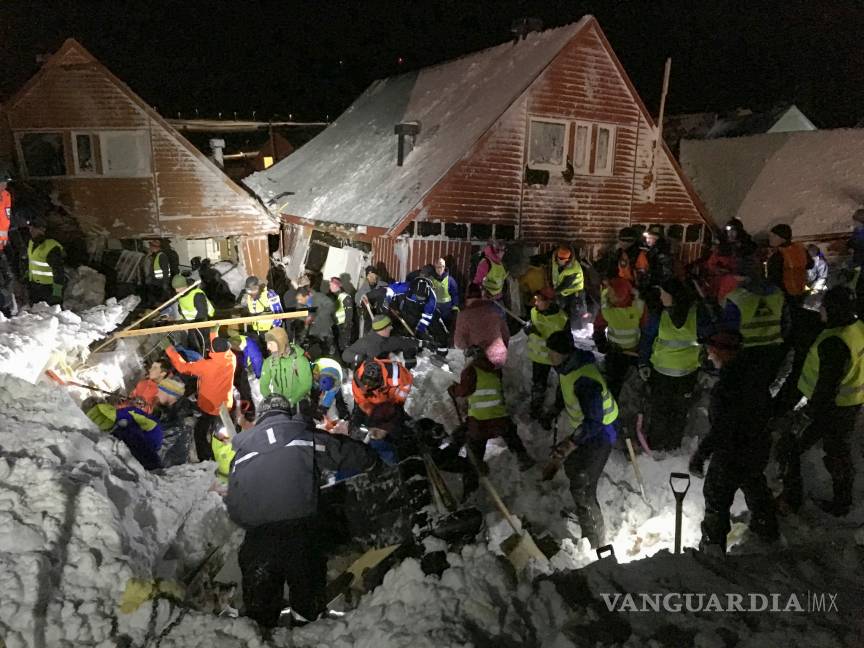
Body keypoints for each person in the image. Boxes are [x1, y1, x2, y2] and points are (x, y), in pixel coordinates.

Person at [225, 393, 380, 629]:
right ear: (288, 413)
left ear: (261, 418)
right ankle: (305, 630)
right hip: (302, 534)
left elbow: (234, 505)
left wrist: (257, 521)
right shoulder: (304, 437)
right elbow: (342, 451)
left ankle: (263, 632)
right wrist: (372, 460)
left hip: (258, 540)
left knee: (259, 617)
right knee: (308, 608)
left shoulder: (240, 456)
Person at [689, 331, 779, 555]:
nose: (709, 355)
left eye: (711, 350)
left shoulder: (728, 386)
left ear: (723, 352)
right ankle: (768, 531)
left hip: (733, 452)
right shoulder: (754, 376)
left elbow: (723, 428)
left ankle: (713, 548)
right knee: (754, 483)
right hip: (757, 447)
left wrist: (701, 454)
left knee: (716, 497)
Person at [777, 286, 864, 517]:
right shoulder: (857, 328)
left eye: (824, 306)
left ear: (833, 310)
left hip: (832, 407)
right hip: (850, 403)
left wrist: (807, 414)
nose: (820, 310)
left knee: (790, 446)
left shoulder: (833, 343)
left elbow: (826, 386)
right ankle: (842, 501)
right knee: (838, 451)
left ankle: (791, 500)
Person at [541, 330, 618, 549]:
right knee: (573, 466)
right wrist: (554, 410)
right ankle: (584, 515)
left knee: (583, 486)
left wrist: (569, 443)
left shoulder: (585, 380)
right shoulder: (567, 368)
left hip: (602, 432)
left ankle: (595, 542)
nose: (549, 356)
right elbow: (564, 390)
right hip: (588, 429)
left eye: (552, 352)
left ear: (564, 353)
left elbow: (594, 420)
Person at [638, 279, 713, 451]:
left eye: (664, 293)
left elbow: (647, 339)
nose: (661, 297)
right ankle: (664, 446)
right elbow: (647, 339)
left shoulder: (690, 315)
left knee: (671, 411)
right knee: (670, 411)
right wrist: (643, 363)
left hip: (673, 374)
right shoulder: (667, 314)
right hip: (676, 374)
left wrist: (643, 363)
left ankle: (666, 446)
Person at [448, 351, 534, 494]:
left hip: (480, 423)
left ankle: (471, 484)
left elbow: (464, 390)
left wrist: (453, 390)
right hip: (500, 418)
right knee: (510, 433)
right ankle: (522, 456)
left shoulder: (470, 371)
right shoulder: (495, 370)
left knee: (474, 451)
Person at [164, 334, 235, 462]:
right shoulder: (231, 359)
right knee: (222, 430)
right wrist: (214, 334)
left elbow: (183, 367)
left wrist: (170, 350)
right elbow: (218, 348)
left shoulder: (206, 366)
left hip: (210, 406)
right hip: (225, 404)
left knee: (200, 432)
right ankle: (226, 449)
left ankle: (206, 459)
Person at [593, 278, 648, 400]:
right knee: (614, 384)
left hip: (634, 353)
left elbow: (646, 328)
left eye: (614, 295)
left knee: (634, 385)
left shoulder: (638, 306)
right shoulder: (608, 308)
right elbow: (599, 325)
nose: (611, 297)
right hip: (615, 352)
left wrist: (644, 348)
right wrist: (600, 340)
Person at [351, 358, 413, 463]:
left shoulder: (396, 373)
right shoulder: (358, 380)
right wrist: (373, 413)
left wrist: (398, 403)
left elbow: (406, 384)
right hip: (372, 406)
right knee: (357, 427)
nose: (369, 387)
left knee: (398, 429)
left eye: (372, 386)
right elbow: (361, 400)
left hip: (392, 403)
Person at [526, 287, 568, 416]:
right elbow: (532, 324)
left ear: (550, 301)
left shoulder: (561, 319)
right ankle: (536, 408)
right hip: (538, 358)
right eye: (535, 299)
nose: (536, 303)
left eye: (539, 300)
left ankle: (559, 406)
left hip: (554, 357)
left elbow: (563, 341)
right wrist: (528, 329)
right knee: (538, 384)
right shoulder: (534, 311)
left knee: (564, 381)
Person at [86, 402, 163, 471]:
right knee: (125, 432)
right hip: (152, 438)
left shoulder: (126, 414)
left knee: (128, 433)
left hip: (150, 438)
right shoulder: (126, 412)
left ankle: (152, 464)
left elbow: (148, 424)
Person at [454, 284, 511, 367]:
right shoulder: (494, 311)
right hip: (500, 357)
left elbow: (459, 343)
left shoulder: (463, 315)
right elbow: (506, 335)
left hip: (480, 359)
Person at [387, 276, 447, 350]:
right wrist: (388, 301)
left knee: (435, 319)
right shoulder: (406, 287)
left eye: (422, 299)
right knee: (406, 329)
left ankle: (440, 346)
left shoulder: (432, 299)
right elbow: (390, 289)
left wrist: (419, 330)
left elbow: (426, 318)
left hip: (422, 311)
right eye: (418, 297)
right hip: (407, 309)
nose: (420, 300)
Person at [260, 327, 313, 410]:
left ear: (280, 343)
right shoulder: (269, 362)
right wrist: (272, 401)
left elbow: (306, 385)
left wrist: (291, 401)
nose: (267, 347)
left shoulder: (299, 360)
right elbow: (263, 385)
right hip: (279, 405)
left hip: (298, 404)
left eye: (271, 344)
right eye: (267, 343)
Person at [341, 314, 422, 368]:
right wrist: (358, 357)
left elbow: (402, 341)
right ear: (383, 329)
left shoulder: (387, 340)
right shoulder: (366, 342)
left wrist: (422, 343)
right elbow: (345, 355)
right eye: (389, 326)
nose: (391, 328)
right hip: (368, 374)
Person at [152, 376, 196, 467]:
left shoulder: (178, 423)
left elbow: (157, 452)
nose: (156, 394)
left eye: (160, 391)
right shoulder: (164, 412)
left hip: (167, 471)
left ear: (171, 396)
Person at [25, 215, 65, 306]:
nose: (31, 230)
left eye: (33, 228)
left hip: (48, 289)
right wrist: (27, 277)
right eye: (30, 228)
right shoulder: (31, 242)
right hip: (35, 287)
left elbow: (58, 271)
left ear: (42, 230)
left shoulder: (51, 247)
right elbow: (32, 262)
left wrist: (57, 292)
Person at [766, 223, 812, 302]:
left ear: (783, 239)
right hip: (800, 289)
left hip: (783, 294)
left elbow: (773, 277)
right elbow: (810, 264)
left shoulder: (779, 254)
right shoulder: (800, 249)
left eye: (774, 236)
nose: (770, 238)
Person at [549, 244, 588, 329]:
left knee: (576, 314)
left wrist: (552, 293)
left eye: (564, 259)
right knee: (561, 312)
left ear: (569, 258)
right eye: (560, 258)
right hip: (563, 292)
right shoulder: (554, 257)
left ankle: (577, 330)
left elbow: (565, 285)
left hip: (575, 293)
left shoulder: (573, 269)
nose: (561, 261)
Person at [239, 275, 284, 349]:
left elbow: (278, 313)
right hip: (256, 332)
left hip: (270, 331)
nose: (252, 292)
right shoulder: (248, 297)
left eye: (254, 289)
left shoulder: (269, 294)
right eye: (249, 290)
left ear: (259, 287)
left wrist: (274, 331)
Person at [296, 285, 336, 358]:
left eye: (300, 299)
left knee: (327, 345)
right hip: (312, 330)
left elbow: (331, 305)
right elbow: (300, 315)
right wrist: (305, 319)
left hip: (324, 326)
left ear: (307, 296)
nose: (299, 301)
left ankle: (329, 353)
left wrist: (317, 317)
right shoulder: (301, 304)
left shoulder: (319, 297)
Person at [312, 357, 350, 426]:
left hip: (336, 368)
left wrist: (323, 408)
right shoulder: (318, 374)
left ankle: (344, 413)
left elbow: (329, 397)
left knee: (338, 396)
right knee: (315, 391)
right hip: (323, 365)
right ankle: (313, 405)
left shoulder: (336, 383)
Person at [471, 240, 508, 304]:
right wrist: (485, 295)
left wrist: (500, 294)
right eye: (503, 250)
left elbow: (502, 280)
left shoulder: (500, 263)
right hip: (487, 301)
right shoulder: (486, 263)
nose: (504, 253)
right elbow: (477, 282)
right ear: (497, 251)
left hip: (497, 299)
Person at [356, 265, 388, 336]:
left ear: (376, 275)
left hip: (383, 316)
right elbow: (359, 299)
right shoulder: (363, 288)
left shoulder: (383, 285)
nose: (370, 277)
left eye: (372, 274)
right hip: (370, 319)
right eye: (368, 275)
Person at [430, 258, 461, 331]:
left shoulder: (450, 280)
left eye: (442, 266)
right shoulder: (430, 279)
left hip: (447, 309)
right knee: (435, 328)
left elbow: (455, 294)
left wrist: (455, 306)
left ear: (444, 267)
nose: (440, 269)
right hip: (434, 308)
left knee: (448, 327)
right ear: (435, 267)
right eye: (438, 267)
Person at [329, 276, 354, 353]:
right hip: (339, 325)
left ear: (336, 286)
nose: (330, 287)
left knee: (345, 346)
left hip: (344, 326)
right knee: (340, 346)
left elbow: (349, 314)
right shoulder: (337, 297)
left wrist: (346, 326)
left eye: (331, 285)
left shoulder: (345, 297)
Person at [144, 239, 172, 307]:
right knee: (155, 299)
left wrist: (165, 284)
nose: (149, 248)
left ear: (155, 247)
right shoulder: (155, 255)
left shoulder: (162, 256)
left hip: (160, 283)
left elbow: (166, 271)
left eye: (150, 246)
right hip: (155, 282)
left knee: (161, 301)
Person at [0, 171, 12, 254]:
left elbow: (7, 215)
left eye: (6, 183)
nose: (5, 185)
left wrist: (5, 234)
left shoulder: (6, 194)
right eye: (3, 182)